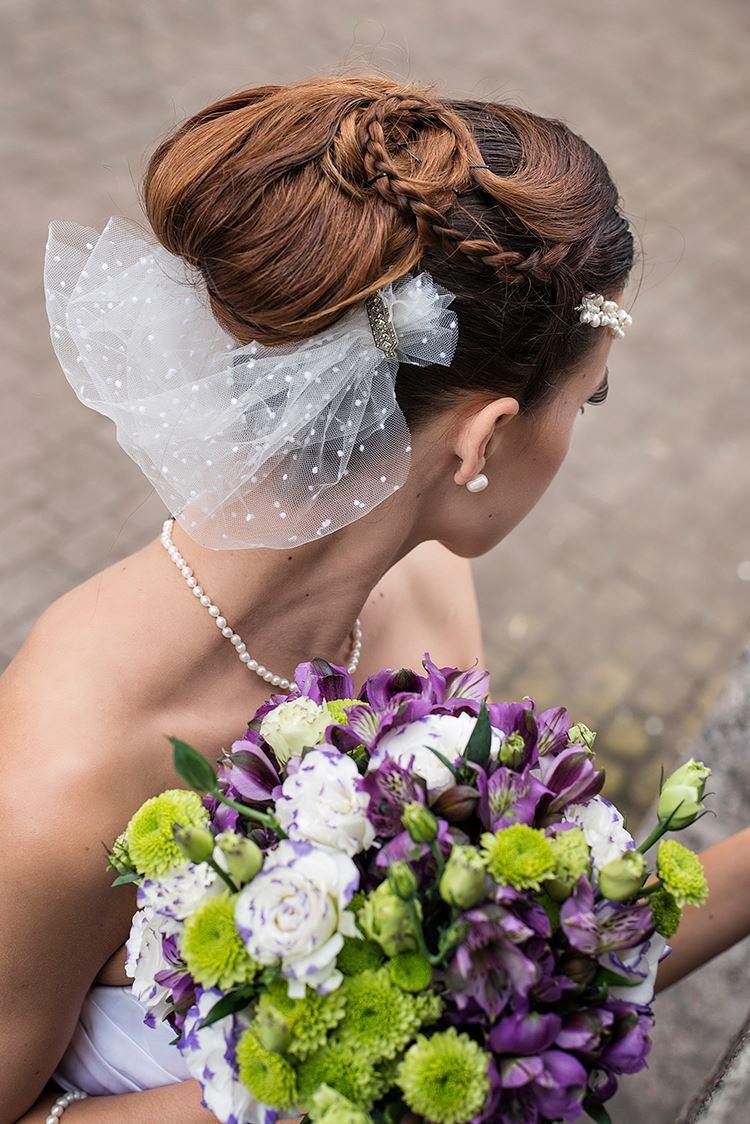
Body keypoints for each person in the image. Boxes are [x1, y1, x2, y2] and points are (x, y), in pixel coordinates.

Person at [1, 73, 638, 1122]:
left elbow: (556, 966)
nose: (582, 426)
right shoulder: (60, 777)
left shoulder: (426, 582)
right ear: (481, 439)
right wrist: (287, 1076)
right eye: (592, 394)